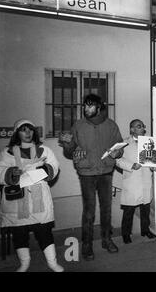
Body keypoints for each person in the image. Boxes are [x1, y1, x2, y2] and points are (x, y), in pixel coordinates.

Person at [58, 94, 123, 261]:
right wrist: (67, 143)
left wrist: (118, 151)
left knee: (106, 209)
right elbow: (69, 150)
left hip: (106, 172)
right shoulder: (78, 125)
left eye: (90, 106)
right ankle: (86, 245)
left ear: (99, 107)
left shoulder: (111, 125)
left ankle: (106, 240)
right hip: (86, 173)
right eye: (85, 106)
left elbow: (119, 145)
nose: (86, 109)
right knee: (89, 211)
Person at [0, 119, 64, 272]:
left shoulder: (44, 150)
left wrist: (46, 169)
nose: (28, 133)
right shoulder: (7, 153)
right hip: (17, 198)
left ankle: (52, 262)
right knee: (19, 232)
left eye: (30, 129)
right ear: (17, 133)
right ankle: (25, 263)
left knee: (44, 230)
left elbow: (55, 166)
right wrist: (10, 173)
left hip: (38, 196)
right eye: (23, 130)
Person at [116, 119, 156, 244]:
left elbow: (154, 158)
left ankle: (145, 230)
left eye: (143, 126)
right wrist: (131, 165)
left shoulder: (150, 143)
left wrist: (155, 165)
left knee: (145, 209)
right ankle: (126, 234)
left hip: (145, 179)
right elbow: (117, 160)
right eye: (138, 126)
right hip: (132, 181)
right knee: (129, 211)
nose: (142, 128)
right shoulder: (123, 143)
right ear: (132, 129)